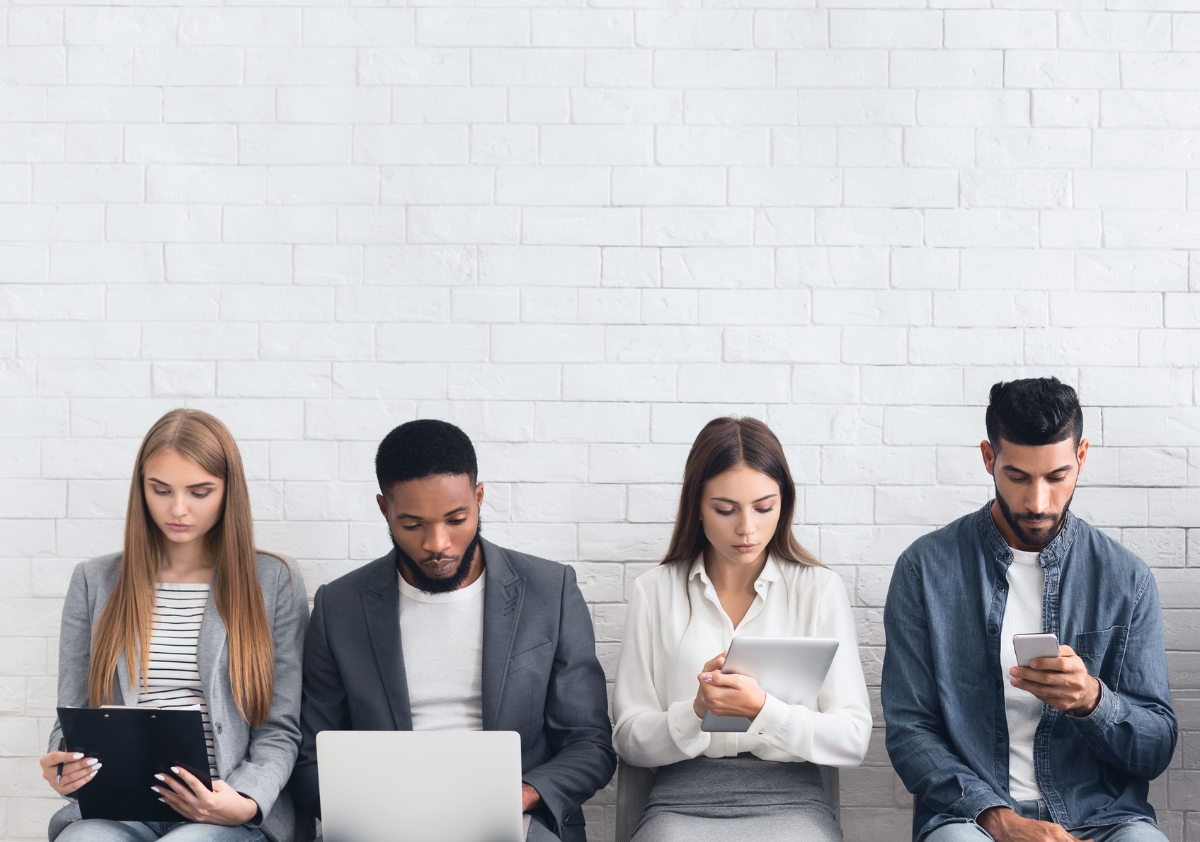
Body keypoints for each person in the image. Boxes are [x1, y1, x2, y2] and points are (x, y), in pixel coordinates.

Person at [289, 419, 615, 842]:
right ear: (384, 509)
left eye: (456, 518)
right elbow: (308, 756)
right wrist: (373, 808)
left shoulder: (549, 591)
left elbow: (590, 743)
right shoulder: (340, 607)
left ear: (479, 498)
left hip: (514, 820)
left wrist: (524, 794)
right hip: (384, 823)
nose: (437, 543)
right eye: (412, 525)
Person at [882, 378, 1177, 842]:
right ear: (988, 458)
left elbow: (1156, 749)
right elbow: (909, 731)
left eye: (1056, 477)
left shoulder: (1126, 578)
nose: (1037, 503)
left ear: (1081, 457)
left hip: (1103, 818)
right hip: (973, 819)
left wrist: (1092, 702)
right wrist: (999, 819)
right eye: (1017, 477)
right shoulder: (925, 570)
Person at [41, 409, 310, 842]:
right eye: (161, 490)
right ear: (141, 489)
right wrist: (63, 763)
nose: (178, 509)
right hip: (120, 806)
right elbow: (72, 715)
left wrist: (244, 801)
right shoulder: (94, 581)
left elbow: (280, 727)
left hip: (223, 806)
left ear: (228, 493)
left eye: (200, 492)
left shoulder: (274, 581)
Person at [612, 416, 872, 842]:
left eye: (764, 507)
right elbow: (628, 740)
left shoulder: (818, 590)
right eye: (725, 510)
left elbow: (853, 739)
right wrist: (695, 711)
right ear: (696, 505)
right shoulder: (654, 591)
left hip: (792, 800)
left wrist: (763, 710)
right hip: (681, 800)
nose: (747, 529)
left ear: (784, 504)